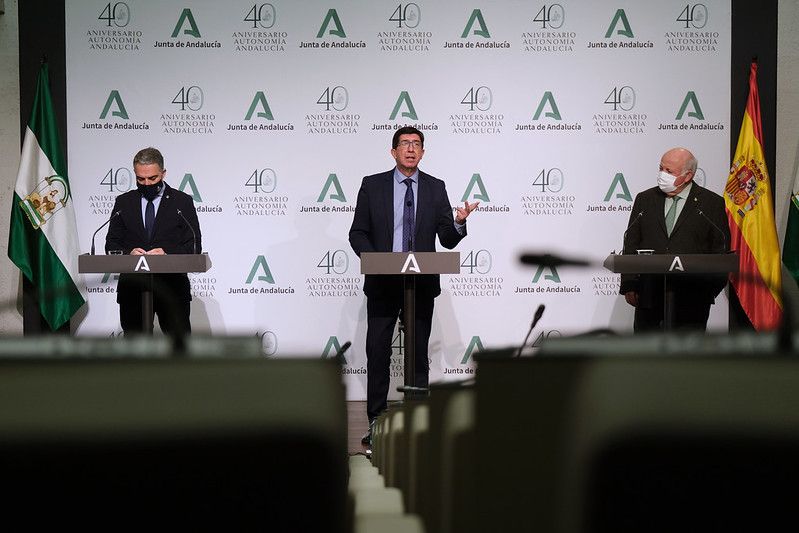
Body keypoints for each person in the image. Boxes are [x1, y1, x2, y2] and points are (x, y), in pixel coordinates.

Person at [349, 126, 479, 445]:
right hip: (382, 283)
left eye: (416, 144)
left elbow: (447, 239)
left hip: (420, 285)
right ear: (393, 152)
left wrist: (460, 221)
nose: (410, 149)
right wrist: (379, 261)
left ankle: (418, 425)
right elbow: (357, 233)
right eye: (404, 144)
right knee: (377, 352)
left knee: (418, 355)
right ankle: (377, 423)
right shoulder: (372, 185)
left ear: (422, 152)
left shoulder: (435, 188)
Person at [620, 147, 729, 331]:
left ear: (688, 176)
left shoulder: (711, 204)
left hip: (692, 299)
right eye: (661, 168)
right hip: (648, 296)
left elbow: (720, 252)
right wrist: (629, 284)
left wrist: (708, 291)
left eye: (669, 171)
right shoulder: (645, 199)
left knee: (686, 358)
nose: (662, 174)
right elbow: (631, 242)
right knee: (647, 356)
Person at [106, 147, 202, 335]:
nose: (147, 183)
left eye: (153, 178)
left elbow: (194, 245)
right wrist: (128, 254)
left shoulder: (181, 202)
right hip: (133, 289)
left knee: (178, 350)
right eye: (140, 179)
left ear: (163, 173)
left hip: (172, 288)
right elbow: (112, 243)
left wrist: (167, 255)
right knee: (136, 352)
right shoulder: (123, 202)